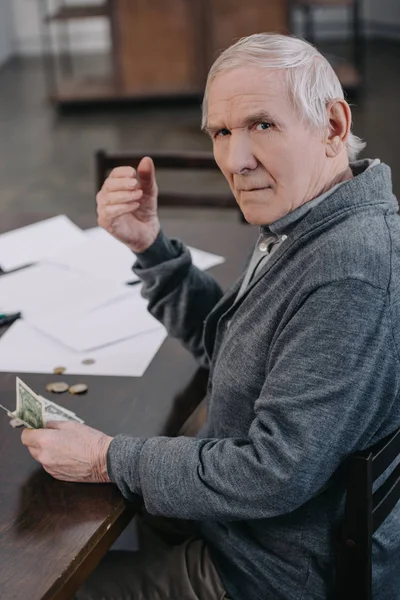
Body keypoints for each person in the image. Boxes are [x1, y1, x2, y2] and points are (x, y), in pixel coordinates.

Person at [21, 33, 400, 599]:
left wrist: (107, 457)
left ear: (333, 127)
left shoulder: (348, 267)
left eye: (262, 125)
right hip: (248, 526)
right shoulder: (312, 217)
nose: (234, 159)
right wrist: (150, 247)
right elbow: (235, 347)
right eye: (222, 133)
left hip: (269, 570)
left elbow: (271, 473)